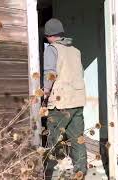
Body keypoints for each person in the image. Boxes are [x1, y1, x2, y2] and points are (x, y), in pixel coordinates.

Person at [43, 18, 87, 180]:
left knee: (52, 139)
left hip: (60, 103)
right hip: (77, 100)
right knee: (78, 139)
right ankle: (80, 172)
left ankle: (47, 174)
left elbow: (50, 73)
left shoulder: (51, 49)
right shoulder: (76, 51)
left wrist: (44, 94)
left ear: (49, 35)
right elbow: (80, 73)